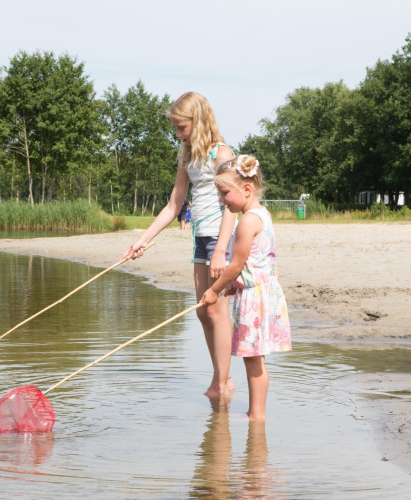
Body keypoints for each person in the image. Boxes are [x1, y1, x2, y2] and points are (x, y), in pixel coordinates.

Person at [122, 92, 237, 399]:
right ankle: (221, 378)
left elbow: (231, 206)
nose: (178, 133)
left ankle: (222, 383)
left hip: (219, 240)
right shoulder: (188, 156)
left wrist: (220, 249)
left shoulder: (222, 155)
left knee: (217, 313)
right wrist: (142, 240)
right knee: (203, 312)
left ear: (198, 122)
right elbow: (174, 204)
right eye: (175, 127)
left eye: (181, 127)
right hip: (201, 238)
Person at [200, 154, 292, 421]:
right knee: (255, 360)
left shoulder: (248, 221)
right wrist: (233, 288)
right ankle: (256, 414)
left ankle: (257, 416)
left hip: (256, 299)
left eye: (225, 193)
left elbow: (236, 265)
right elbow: (253, 264)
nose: (221, 200)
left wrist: (214, 290)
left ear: (246, 189)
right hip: (259, 293)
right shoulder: (261, 214)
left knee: (253, 361)